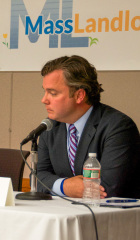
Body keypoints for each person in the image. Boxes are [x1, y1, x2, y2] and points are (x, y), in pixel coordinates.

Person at [37, 55, 140, 198]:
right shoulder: (50, 127)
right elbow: (39, 176)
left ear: (79, 95)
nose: (44, 100)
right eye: (45, 91)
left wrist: (64, 186)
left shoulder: (118, 127)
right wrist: (64, 186)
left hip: (111, 217)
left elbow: (109, 188)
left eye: (53, 93)